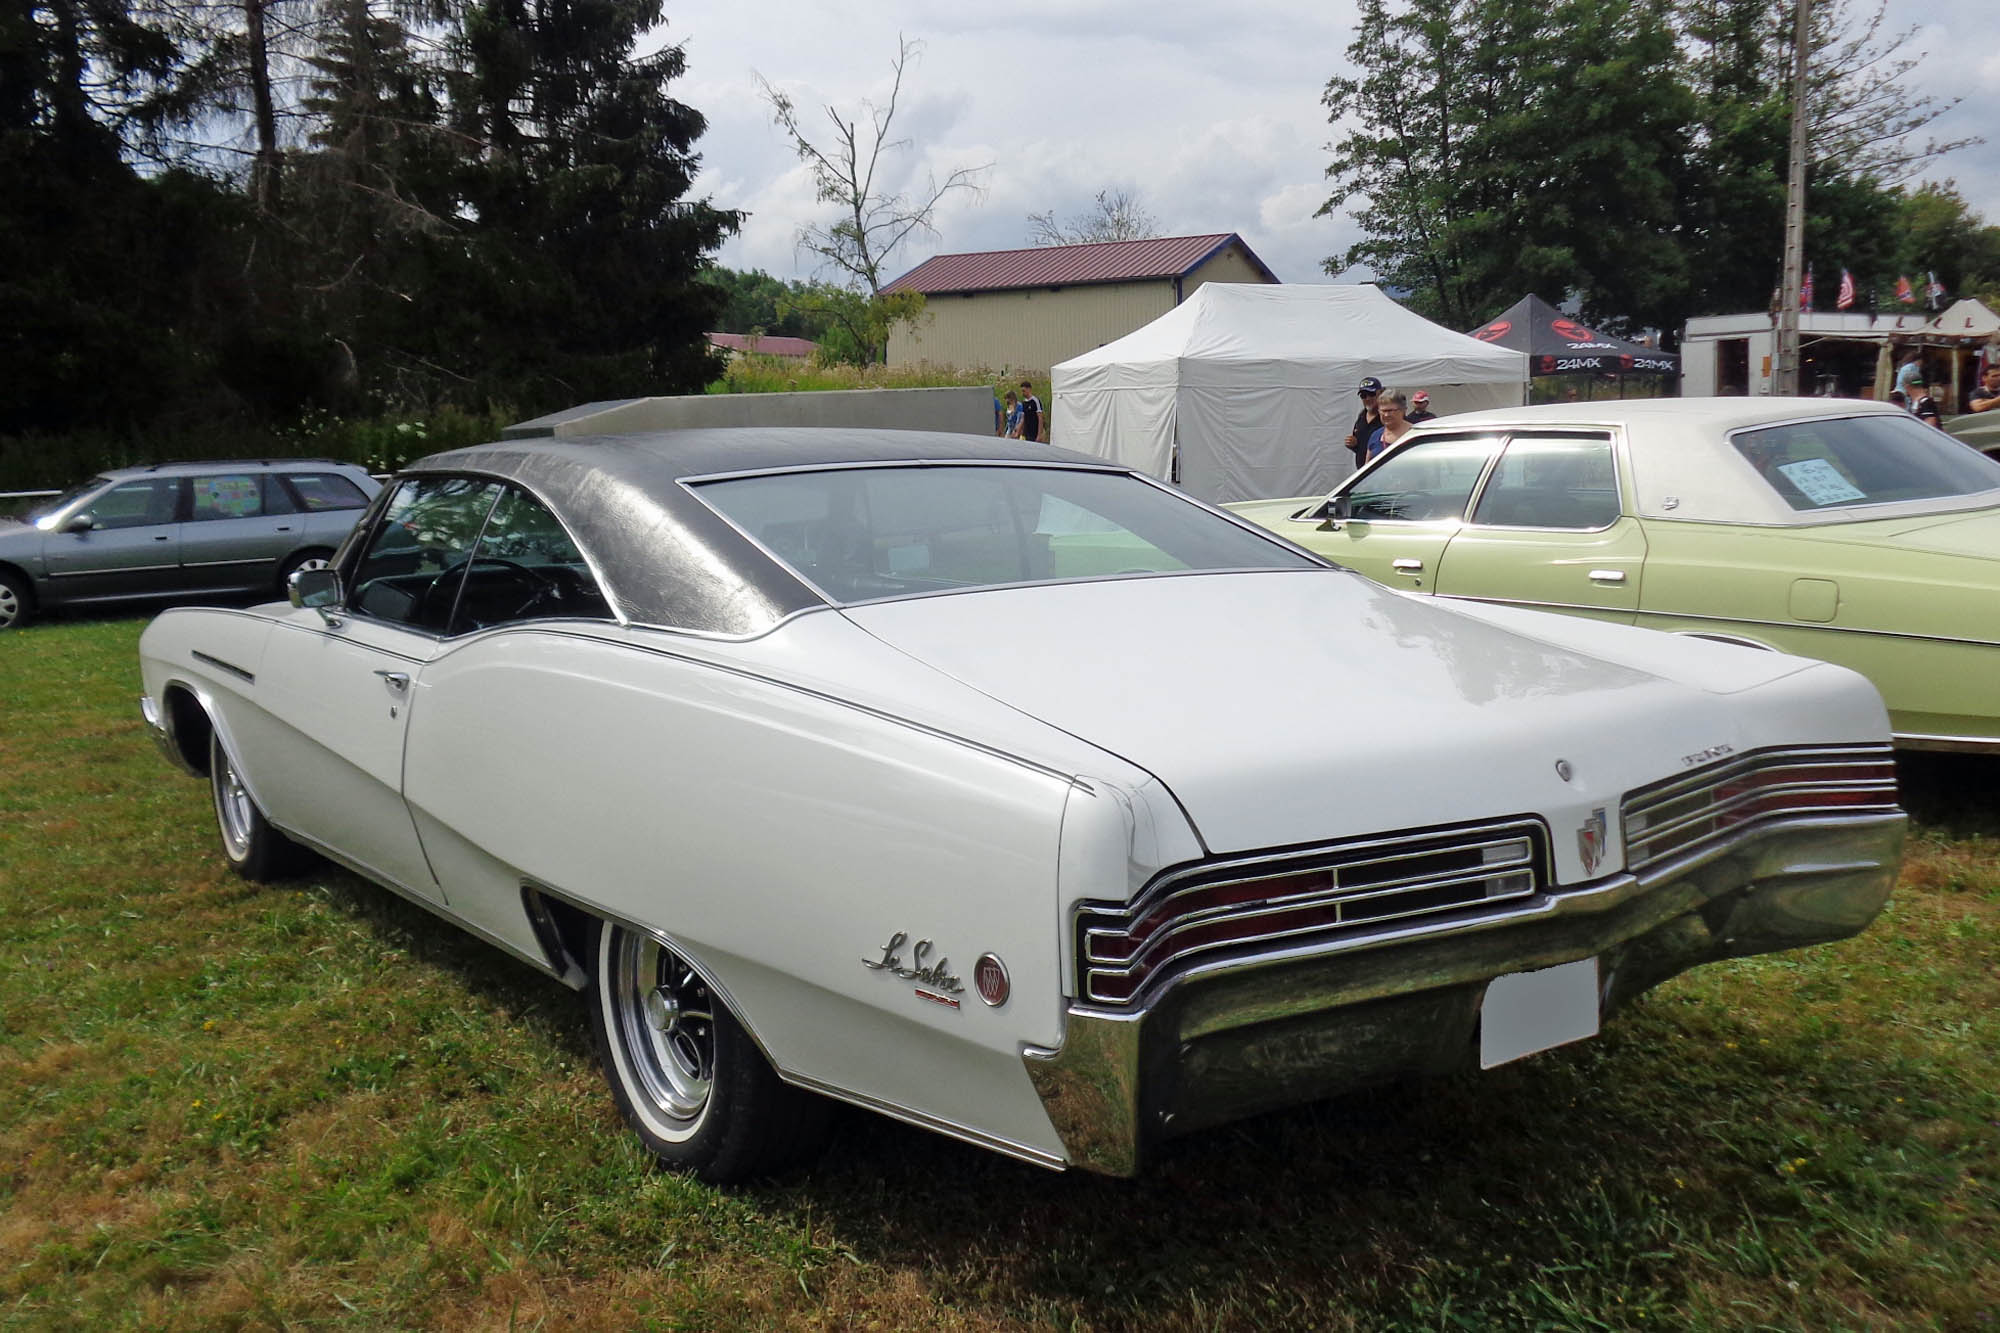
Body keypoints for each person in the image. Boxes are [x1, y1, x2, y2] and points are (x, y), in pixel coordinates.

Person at [1366, 389, 1419, 461]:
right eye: (1383, 411)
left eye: (1390, 411)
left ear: (1403, 410)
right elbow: (1367, 466)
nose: (1386, 415)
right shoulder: (1375, 436)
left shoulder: (1415, 435)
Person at [1344, 376, 1383, 472]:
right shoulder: (1362, 417)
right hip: (1363, 471)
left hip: (1382, 469)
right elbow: (1361, 445)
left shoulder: (1387, 416)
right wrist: (1353, 444)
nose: (1368, 398)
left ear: (1380, 393)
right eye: (1363, 395)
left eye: (1371, 394)